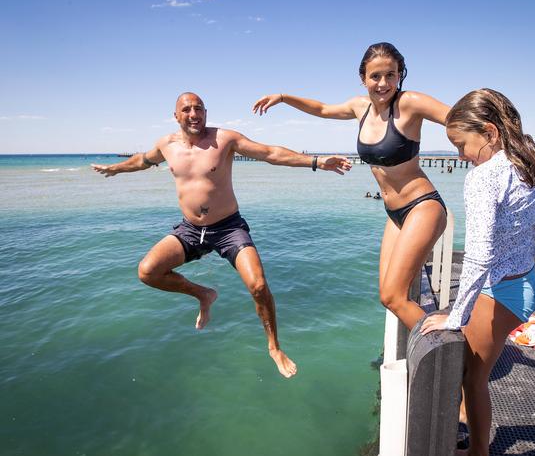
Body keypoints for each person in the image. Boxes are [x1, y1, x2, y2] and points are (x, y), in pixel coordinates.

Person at [253, 42, 535, 332]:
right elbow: (322, 109)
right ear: (363, 78)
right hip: (393, 213)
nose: (383, 84)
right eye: (375, 76)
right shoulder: (358, 107)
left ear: (400, 75)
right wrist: (283, 97)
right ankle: (445, 347)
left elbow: (475, 122)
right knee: (388, 294)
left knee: (394, 295)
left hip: (422, 206)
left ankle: (446, 353)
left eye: (390, 75)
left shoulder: (411, 103)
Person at [92, 92, 351, 379]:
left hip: (228, 227)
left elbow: (269, 153)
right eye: (187, 109)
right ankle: (203, 294)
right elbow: (142, 160)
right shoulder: (167, 145)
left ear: (205, 112)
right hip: (190, 230)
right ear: (176, 116)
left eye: (198, 108)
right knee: (148, 271)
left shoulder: (225, 139)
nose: (193, 114)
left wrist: (315, 161)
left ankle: (274, 347)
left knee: (258, 285)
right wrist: (116, 168)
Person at [420, 88, 535, 456]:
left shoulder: (484, 178)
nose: (459, 155)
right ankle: (474, 446)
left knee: (473, 378)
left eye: (462, 144)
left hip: (502, 289)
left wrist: (454, 317)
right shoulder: (528, 152)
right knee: (472, 372)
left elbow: (478, 255)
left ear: (491, 132)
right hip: (523, 280)